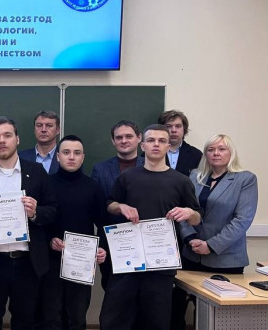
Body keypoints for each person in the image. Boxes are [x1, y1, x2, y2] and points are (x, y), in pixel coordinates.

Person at [99, 124, 202, 330]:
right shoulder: (127, 177)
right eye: (151, 140)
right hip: (127, 262)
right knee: (114, 320)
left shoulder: (181, 181)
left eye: (162, 141)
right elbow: (110, 204)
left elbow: (197, 217)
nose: (156, 144)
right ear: (143, 145)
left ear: (168, 146)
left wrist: (189, 213)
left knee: (155, 321)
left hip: (160, 265)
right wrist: (121, 206)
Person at [0, 116, 57, 330]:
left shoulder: (36, 172)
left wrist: (35, 213)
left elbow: (52, 210)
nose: (2, 141)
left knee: (25, 322)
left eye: (7, 135)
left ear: (17, 139)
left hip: (27, 263)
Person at [170, 134, 258, 329]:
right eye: (211, 150)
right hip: (191, 255)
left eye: (221, 149)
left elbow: (242, 220)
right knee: (176, 308)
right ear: (205, 154)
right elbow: (183, 211)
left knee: (219, 317)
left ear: (231, 153)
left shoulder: (245, 179)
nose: (216, 153)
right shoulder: (195, 176)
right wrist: (190, 238)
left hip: (225, 259)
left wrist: (211, 245)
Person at [36, 135, 106, 330]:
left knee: (77, 316)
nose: (71, 157)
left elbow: (103, 223)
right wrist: (50, 240)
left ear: (83, 157)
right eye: (66, 152)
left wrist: (101, 248)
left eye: (77, 153)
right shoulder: (46, 184)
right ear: (58, 156)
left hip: (81, 261)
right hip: (51, 260)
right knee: (51, 316)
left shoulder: (93, 187)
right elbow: (37, 221)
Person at [90, 120, 144, 290]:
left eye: (129, 136)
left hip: (143, 240)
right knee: (112, 290)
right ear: (113, 141)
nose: (124, 141)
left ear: (139, 138)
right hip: (110, 241)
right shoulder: (100, 169)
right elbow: (96, 206)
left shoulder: (151, 166)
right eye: (119, 137)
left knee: (142, 292)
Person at [158, 110, 202, 176]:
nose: (173, 130)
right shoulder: (152, 152)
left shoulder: (196, 155)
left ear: (184, 129)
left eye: (178, 126)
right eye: (168, 126)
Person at [18, 110, 60, 175]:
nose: (43, 130)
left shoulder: (66, 157)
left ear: (57, 130)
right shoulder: (20, 157)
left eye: (49, 125)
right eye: (39, 125)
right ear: (34, 130)